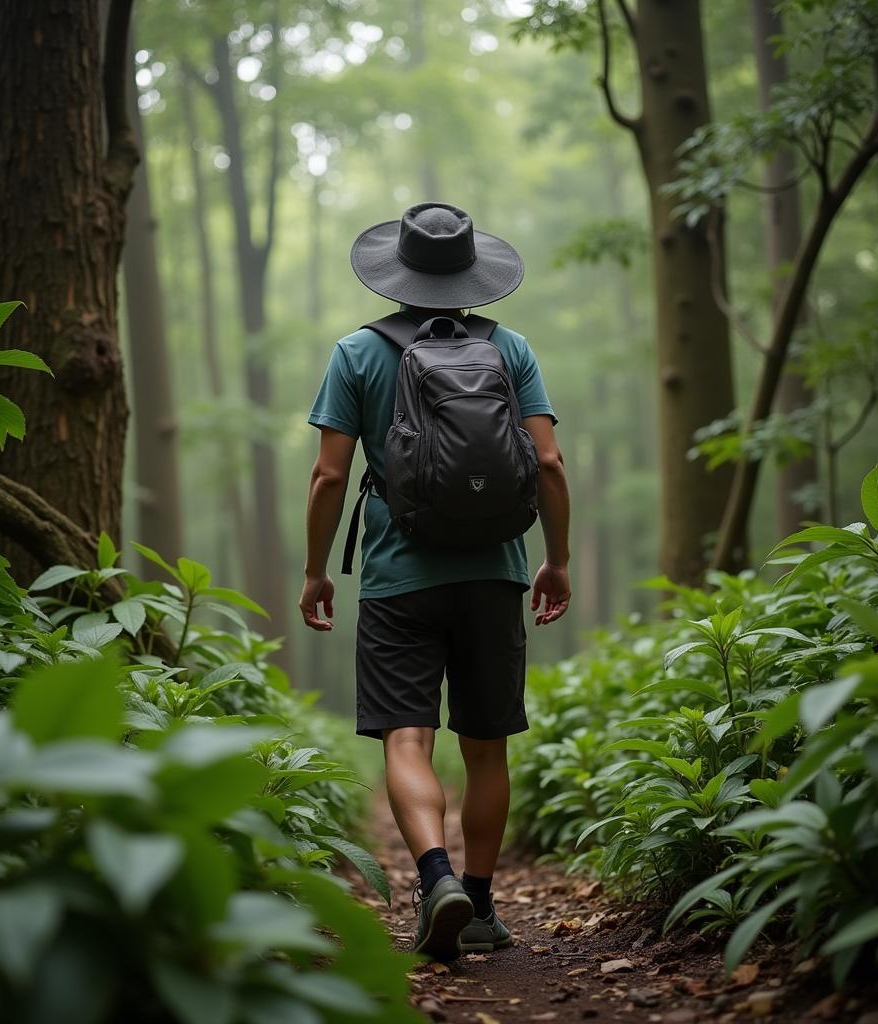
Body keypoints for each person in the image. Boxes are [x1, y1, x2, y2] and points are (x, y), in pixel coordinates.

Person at [299, 202, 571, 962]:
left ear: (397, 273)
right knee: (487, 748)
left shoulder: (357, 352)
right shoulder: (509, 348)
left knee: (407, 736)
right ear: (472, 276)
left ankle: (436, 877)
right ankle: (480, 905)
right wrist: (559, 558)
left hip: (396, 576)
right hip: (495, 571)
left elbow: (329, 476)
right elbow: (547, 463)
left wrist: (317, 571)